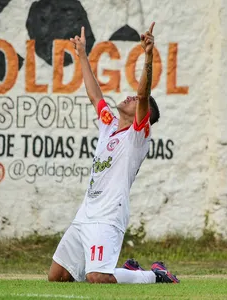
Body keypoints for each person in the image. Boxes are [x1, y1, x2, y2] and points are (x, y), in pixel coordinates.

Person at [47, 22, 179, 284]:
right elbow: (95, 95)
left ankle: (154, 276)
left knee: (97, 277)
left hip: (109, 216)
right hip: (87, 212)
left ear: (142, 116)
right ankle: (127, 270)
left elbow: (143, 95)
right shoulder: (108, 125)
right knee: (58, 276)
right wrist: (82, 55)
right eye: (130, 97)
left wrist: (148, 55)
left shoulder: (137, 137)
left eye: (134, 101)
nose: (129, 97)